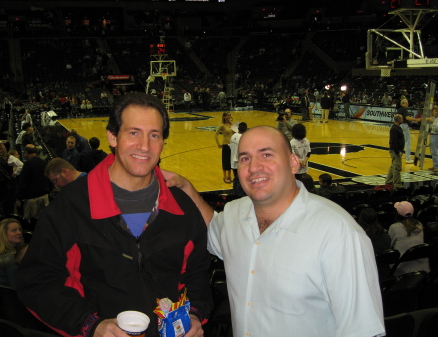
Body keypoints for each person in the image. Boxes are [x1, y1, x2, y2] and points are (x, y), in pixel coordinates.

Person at [17, 92, 212, 337]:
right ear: (112, 137)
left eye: (154, 135)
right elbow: (37, 282)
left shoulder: (182, 207)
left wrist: (194, 313)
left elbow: (197, 275)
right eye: (133, 132)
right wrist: (90, 325)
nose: (144, 145)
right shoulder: (71, 206)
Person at [163, 125, 385, 337]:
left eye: (266, 155)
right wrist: (186, 188)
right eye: (245, 158)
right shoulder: (233, 214)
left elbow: (362, 330)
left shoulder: (339, 234)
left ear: (293, 163)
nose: (254, 167)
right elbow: (213, 229)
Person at [389, 201, 430, 276]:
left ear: (398, 214)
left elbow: (389, 245)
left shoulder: (394, 227)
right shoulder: (419, 225)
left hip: (403, 270)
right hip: (423, 268)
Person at [0, 218, 25, 289]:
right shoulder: (11, 258)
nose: (19, 233)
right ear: (3, 234)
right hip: (3, 298)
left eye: (19, 229)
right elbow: (16, 286)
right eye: (14, 231)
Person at [17, 145, 51, 221]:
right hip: (44, 196)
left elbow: (23, 182)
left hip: (32, 199)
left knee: (29, 222)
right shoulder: (44, 163)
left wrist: (19, 197)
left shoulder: (27, 164)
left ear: (26, 152)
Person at [398, 99, 421, 164]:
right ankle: (408, 158)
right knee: (408, 142)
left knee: (401, 142)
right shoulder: (404, 109)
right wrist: (416, 120)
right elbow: (407, 118)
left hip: (400, 126)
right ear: (402, 104)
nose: (407, 104)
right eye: (406, 103)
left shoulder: (399, 109)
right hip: (404, 126)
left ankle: (399, 157)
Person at [386, 114, 405, 188]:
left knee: (393, 167)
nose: (402, 120)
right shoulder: (394, 129)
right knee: (397, 168)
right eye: (401, 118)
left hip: (398, 150)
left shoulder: (398, 128)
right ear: (398, 120)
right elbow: (393, 141)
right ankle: (397, 184)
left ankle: (388, 182)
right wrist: (397, 152)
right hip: (395, 151)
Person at [215, 112, 234, 184]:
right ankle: (225, 176)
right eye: (228, 115)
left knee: (231, 161)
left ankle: (229, 176)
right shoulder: (222, 125)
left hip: (232, 145)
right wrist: (218, 144)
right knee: (225, 161)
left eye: (230, 115)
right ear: (224, 117)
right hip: (226, 145)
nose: (229, 117)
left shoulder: (232, 125)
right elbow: (215, 135)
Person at [230, 122, 247, 196]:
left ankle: (235, 193)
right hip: (239, 162)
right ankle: (238, 195)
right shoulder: (243, 138)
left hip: (233, 161)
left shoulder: (233, 136)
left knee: (236, 179)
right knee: (241, 180)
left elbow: (230, 147)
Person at [426, 106, 438, 171]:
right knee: (433, 151)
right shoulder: (433, 118)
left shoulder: (435, 119)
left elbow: (436, 128)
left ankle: (436, 166)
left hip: (436, 135)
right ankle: (435, 165)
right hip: (432, 135)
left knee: (435, 151)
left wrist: (432, 121)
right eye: (435, 111)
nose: (436, 113)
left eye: (437, 111)